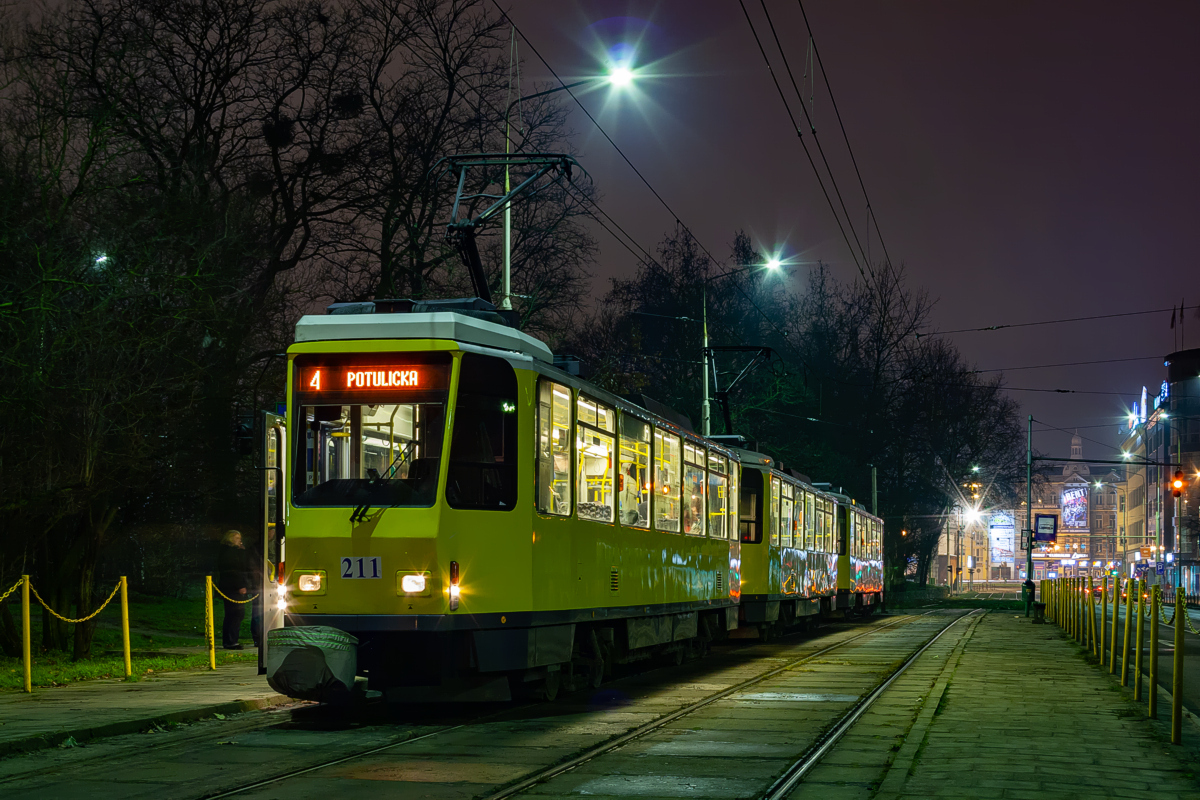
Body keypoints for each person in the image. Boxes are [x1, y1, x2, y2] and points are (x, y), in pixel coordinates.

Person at [218, 530, 252, 650]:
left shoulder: (226, 551)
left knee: (232, 614)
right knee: (236, 613)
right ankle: (231, 641)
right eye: (237, 538)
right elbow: (235, 570)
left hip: (229, 586)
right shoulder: (230, 553)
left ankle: (229, 640)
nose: (240, 540)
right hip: (233, 587)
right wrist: (240, 585)